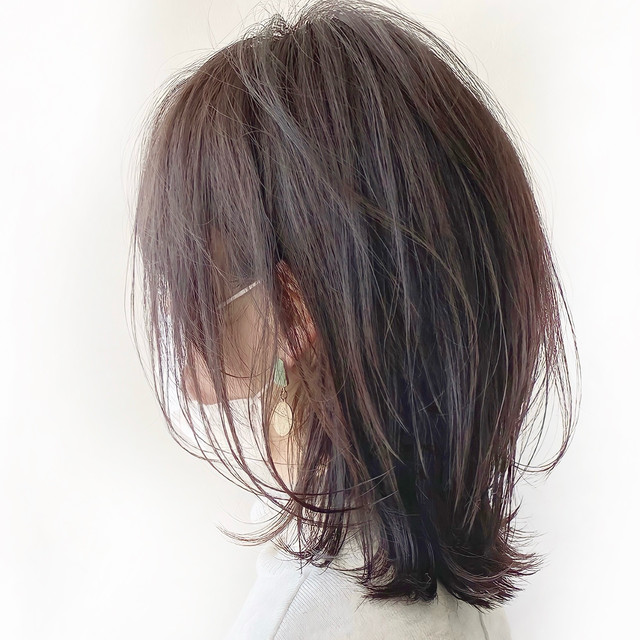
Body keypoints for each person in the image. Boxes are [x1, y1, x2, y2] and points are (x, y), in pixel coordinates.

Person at [129, 0, 579, 637]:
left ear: (290, 313)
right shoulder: (457, 594)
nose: (176, 297)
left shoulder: (300, 619)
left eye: (187, 264)